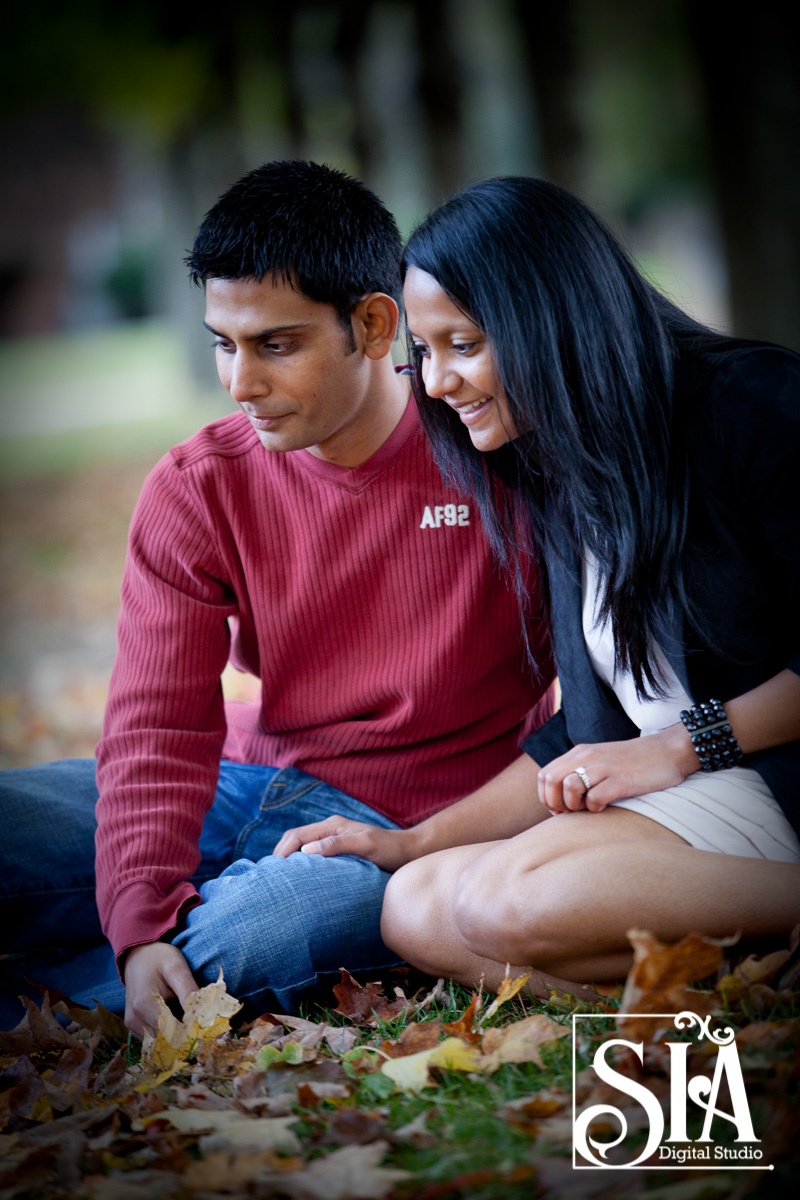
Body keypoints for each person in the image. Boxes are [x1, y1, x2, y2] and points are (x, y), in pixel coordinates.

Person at [0, 163, 554, 1034]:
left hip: (408, 835)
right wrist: (140, 921)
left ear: (373, 325)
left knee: (259, 932)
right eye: (224, 342)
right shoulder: (198, 484)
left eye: (276, 345)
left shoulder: (502, 461)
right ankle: (134, 956)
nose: (239, 381)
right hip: (251, 782)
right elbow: (158, 722)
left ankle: (87, 986)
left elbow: (601, 706)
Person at [274, 176, 800, 992]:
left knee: (504, 905)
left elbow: (657, 742)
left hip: (769, 778)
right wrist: (413, 840)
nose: (437, 383)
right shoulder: (557, 470)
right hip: (697, 794)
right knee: (412, 904)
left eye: (464, 344)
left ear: (550, 319)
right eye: (425, 350)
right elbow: (576, 737)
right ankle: (742, 978)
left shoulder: (752, 405)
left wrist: (681, 747)